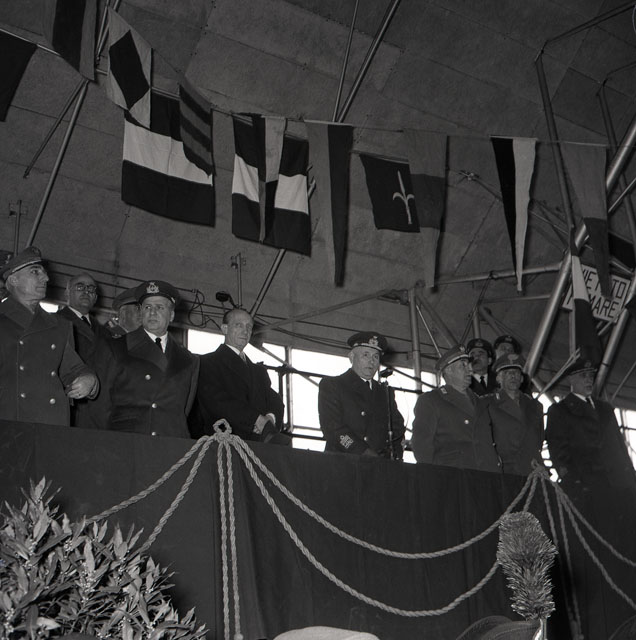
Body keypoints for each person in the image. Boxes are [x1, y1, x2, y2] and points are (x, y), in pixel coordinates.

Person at [0, 246, 98, 426]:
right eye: (35, 272)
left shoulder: (59, 325)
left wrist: (89, 380)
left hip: (51, 423)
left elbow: (73, 369)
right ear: (14, 279)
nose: (46, 278)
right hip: (11, 423)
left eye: (44, 273)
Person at [90, 280, 199, 437]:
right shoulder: (115, 348)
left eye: (160, 307)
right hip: (128, 443)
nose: (152, 312)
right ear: (141, 313)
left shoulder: (189, 360)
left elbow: (182, 411)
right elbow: (99, 409)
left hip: (170, 444)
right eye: (147, 307)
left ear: (172, 315)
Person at [194, 308, 289, 443]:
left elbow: (275, 401)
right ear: (224, 329)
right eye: (238, 325)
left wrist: (270, 418)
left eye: (249, 327)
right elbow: (217, 402)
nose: (245, 331)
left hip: (259, 446)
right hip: (223, 444)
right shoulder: (206, 363)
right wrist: (255, 420)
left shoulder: (259, 371)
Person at [545, 358, 636, 495]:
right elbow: (558, 451)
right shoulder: (560, 411)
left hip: (619, 485)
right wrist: (573, 480)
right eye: (583, 376)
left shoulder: (605, 409)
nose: (588, 380)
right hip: (586, 487)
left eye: (591, 376)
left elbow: (620, 447)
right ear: (571, 379)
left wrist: (631, 478)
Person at [411, 344, 499, 471]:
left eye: (469, 365)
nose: (470, 370)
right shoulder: (432, 400)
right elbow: (422, 446)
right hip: (451, 476)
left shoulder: (480, 403)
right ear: (448, 370)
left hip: (485, 476)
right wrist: (432, 476)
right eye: (463, 366)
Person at [318, 332, 405, 458]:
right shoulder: (333, 385)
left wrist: (393, 458)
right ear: (351, 357)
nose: (371, 361)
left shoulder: (385, 392)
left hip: (380, 465)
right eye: (366, 355)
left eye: (376, 357)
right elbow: (332, 428)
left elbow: (397, 429)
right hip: (343, 462)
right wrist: (364, 452)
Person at [57, 272, 110, 427]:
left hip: (100, 412)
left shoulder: (106, 333)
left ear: (95, 298)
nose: (86, 291)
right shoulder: (55, 323)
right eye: (80, 287)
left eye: (91, 289)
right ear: (67, 293)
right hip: (70, 407)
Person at [485, 353, 544, 475]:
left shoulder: (535, 406)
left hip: (532, 469)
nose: (513, 376)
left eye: (516, 373)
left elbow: (539, 440)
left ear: (522, 379)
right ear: (498, 379)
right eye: (507, 373)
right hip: (504, 470)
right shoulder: (487, 404)